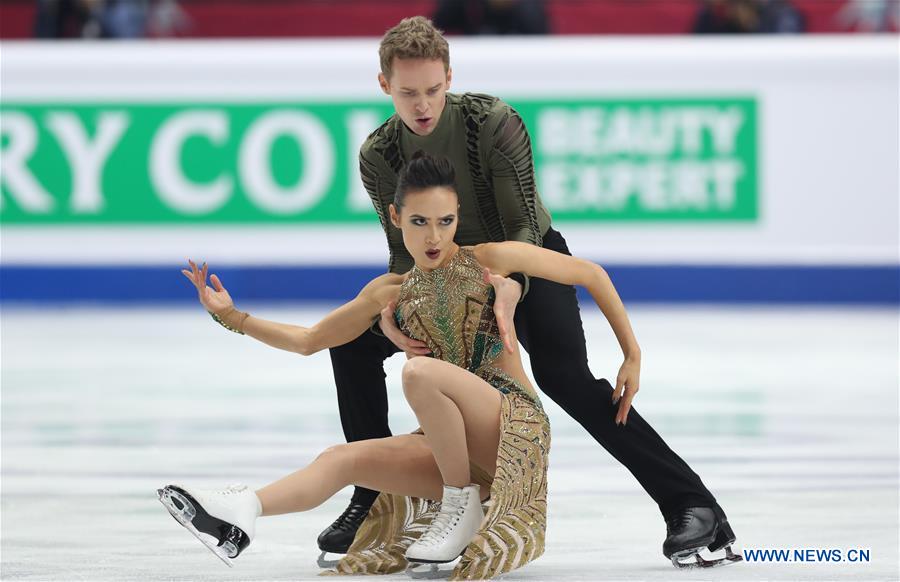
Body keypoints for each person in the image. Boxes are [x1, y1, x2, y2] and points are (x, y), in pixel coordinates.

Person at [319, 15, 741, 570]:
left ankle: (693, 505)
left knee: (567, 379)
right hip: (443, 276)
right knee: (352, 340)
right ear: (383, 86)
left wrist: (505, 294)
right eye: (406, 93)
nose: (421, 104)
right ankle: (372, 500)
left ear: (450, 76)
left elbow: (520, 227)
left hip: (526, 262)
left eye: (432, 89)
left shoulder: (493, 122)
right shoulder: (378, 154)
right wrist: (395, 312)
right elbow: (404, 249)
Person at [160, 152, 647, 578]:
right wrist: (233, 317)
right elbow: (310, 340)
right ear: (396, 216)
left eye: (445, 221)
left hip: (510, 424)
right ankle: (242, 511)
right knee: (341, 459)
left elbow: (590, 273)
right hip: (456, 447)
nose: (434, 236)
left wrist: (631, 353)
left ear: (457, 217)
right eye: (419, 222)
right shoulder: (388, 291)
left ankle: (460, 505)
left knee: (416, 372)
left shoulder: (490, 259)